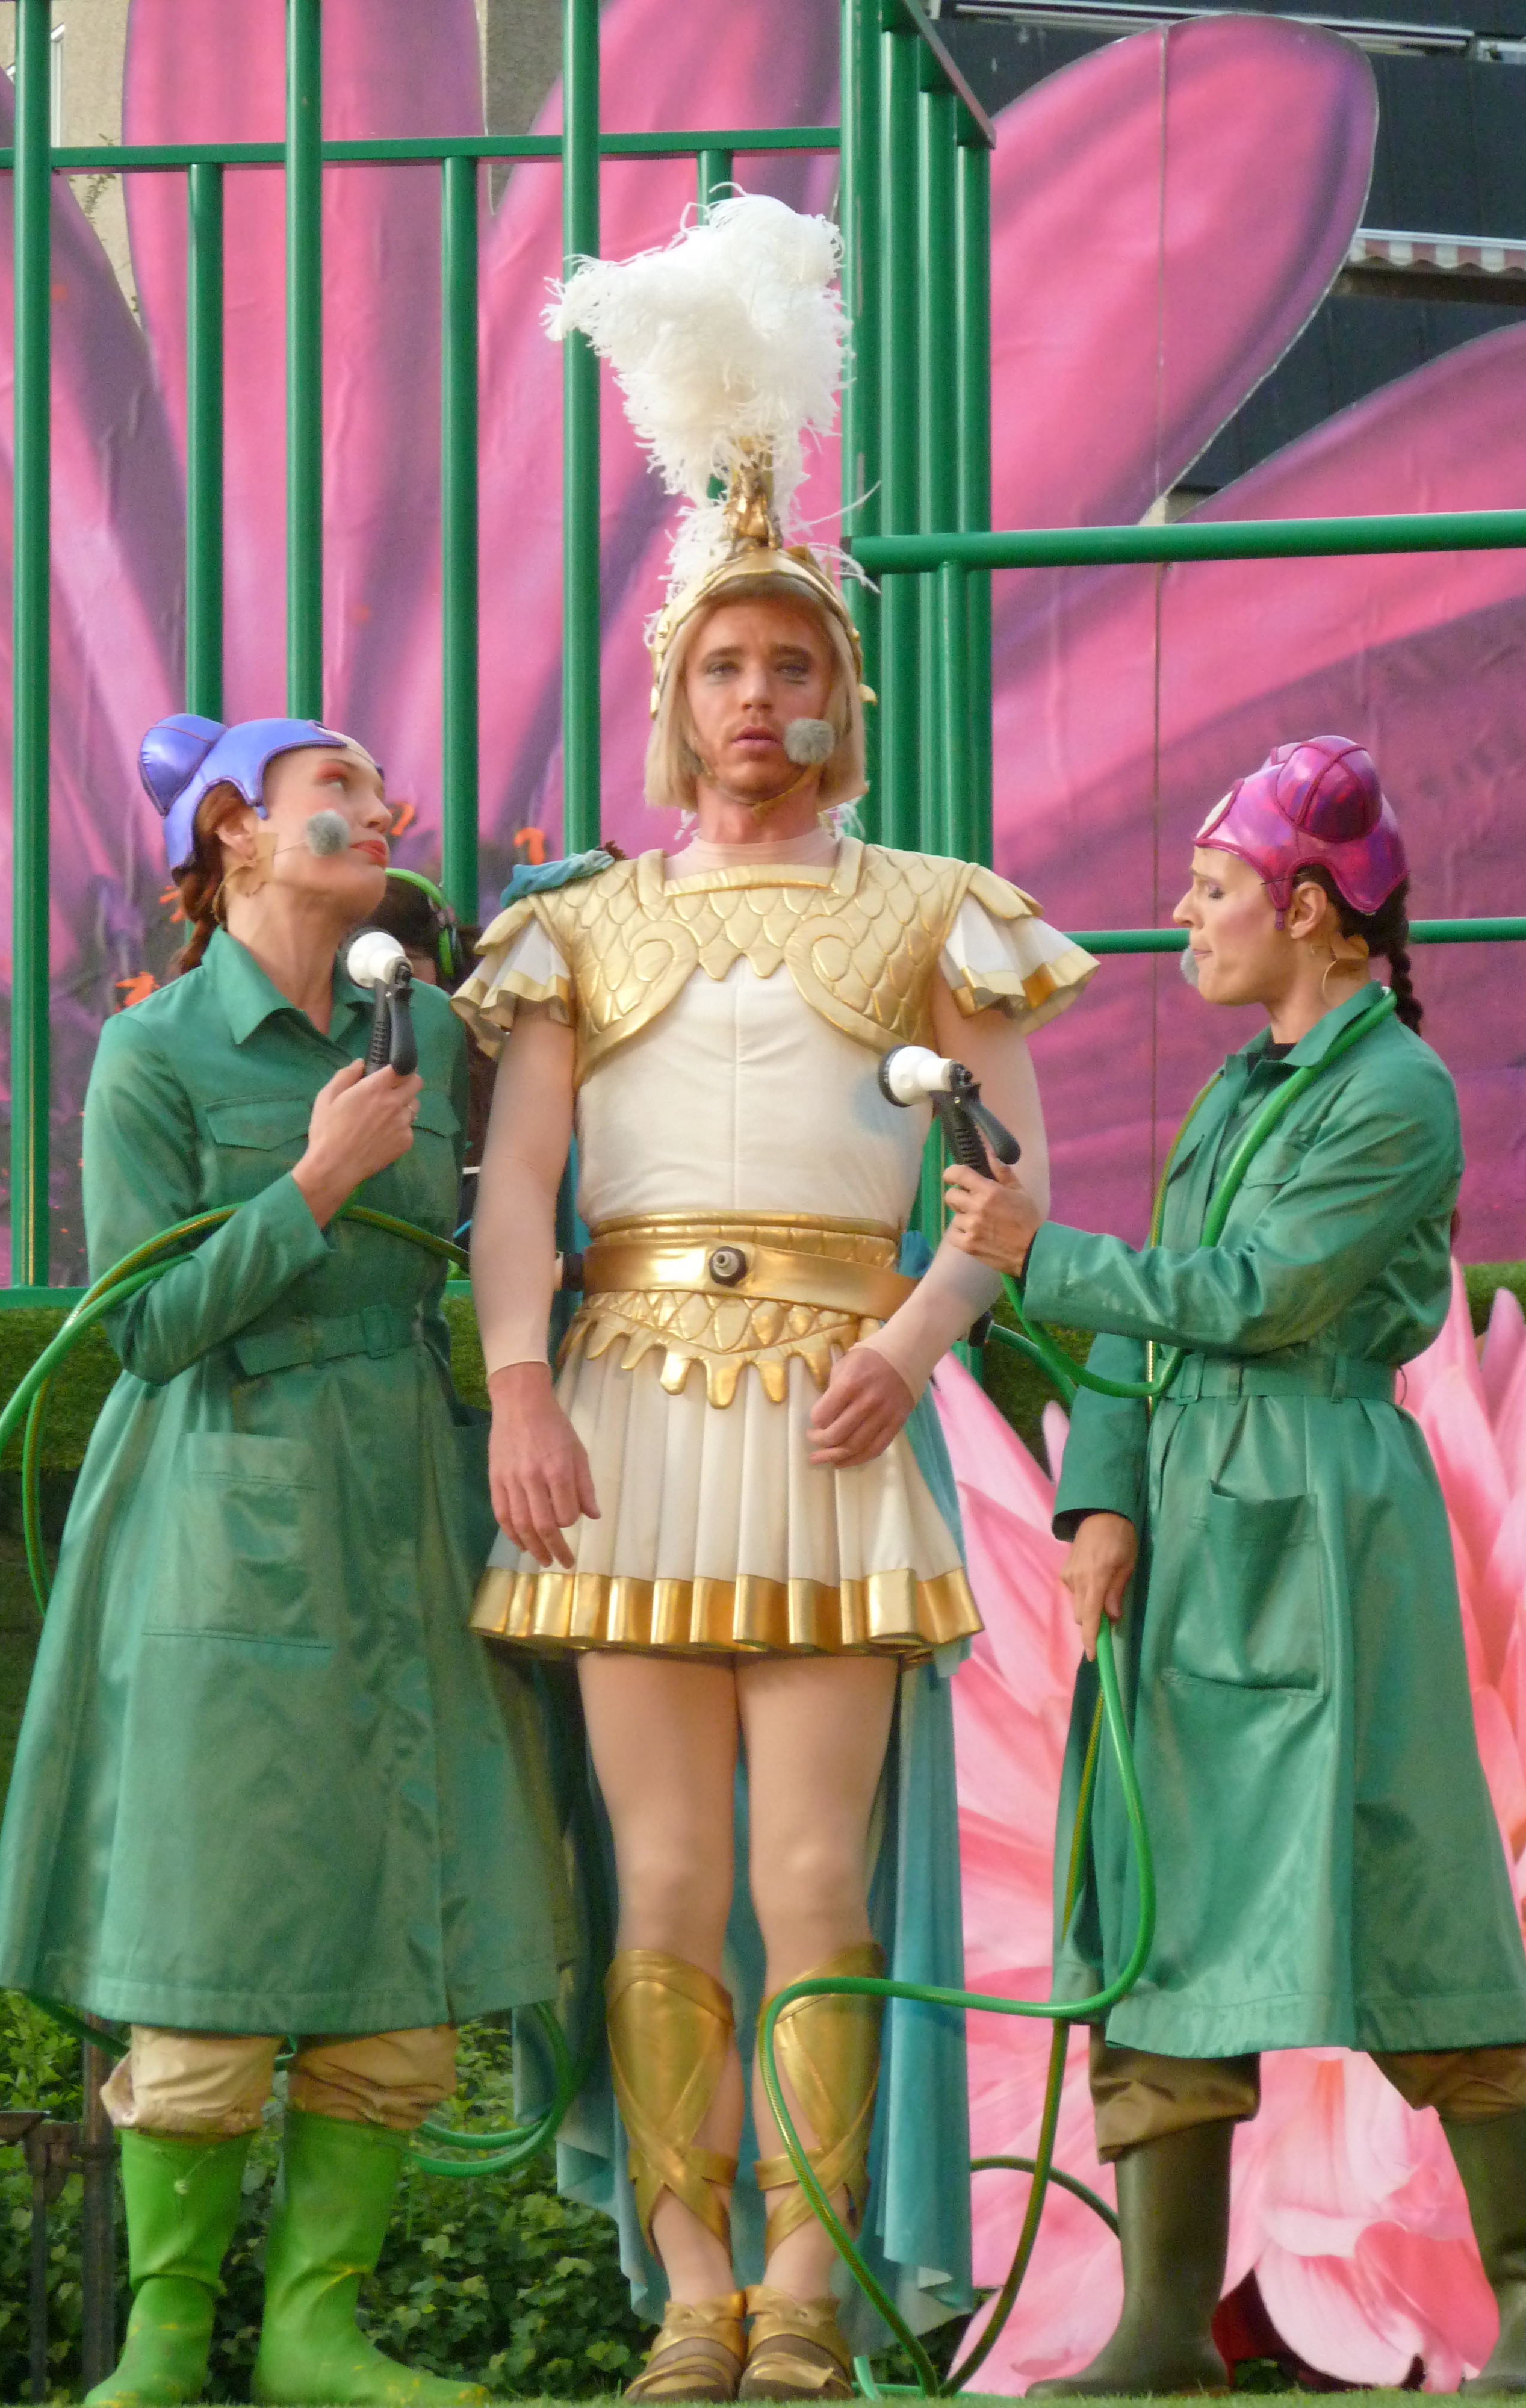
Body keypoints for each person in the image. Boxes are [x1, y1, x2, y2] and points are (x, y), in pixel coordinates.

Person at [455, 196, 1095, 2403]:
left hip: (835, 1418)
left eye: (792, 665)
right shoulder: (578, 927)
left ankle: (809, 2294)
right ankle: (690, 2286)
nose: (759, 698)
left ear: (840, 695)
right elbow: (515, 1182)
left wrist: (911, 1348)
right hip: (622, 1424)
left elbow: (1010, 1186)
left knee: (816, 1883)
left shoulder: (936, 909)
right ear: (676, 696)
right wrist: (519, 1389)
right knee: (658, 1890)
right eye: (725, 666)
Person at [944, 735, 1526, 2397]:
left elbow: (1261, 1295)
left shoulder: (1399, 1092)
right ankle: (1162, 2328)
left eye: (1211, 888)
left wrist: (1037, 1254)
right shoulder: (1233, 1089)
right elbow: (1157, 1322)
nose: (1183, 915)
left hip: (1328, 1531)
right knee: (1159, 1896)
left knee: (1410, 1886)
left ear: (1304, 908)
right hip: (1194, 1537)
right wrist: (1103, 1502)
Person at [0, 713, 563, 2408]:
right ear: (233, 833)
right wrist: (313, 1185)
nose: (381, 811)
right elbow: (142, 1328)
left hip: (403, 1493)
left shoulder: (428, 1024)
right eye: (337, 792)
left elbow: (517, 1216)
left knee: (403, 1888)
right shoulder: (155, 1053)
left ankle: (319, 2335)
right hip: (218, 1505)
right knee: (213, 1894)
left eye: (377, 794)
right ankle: (163, 2346)